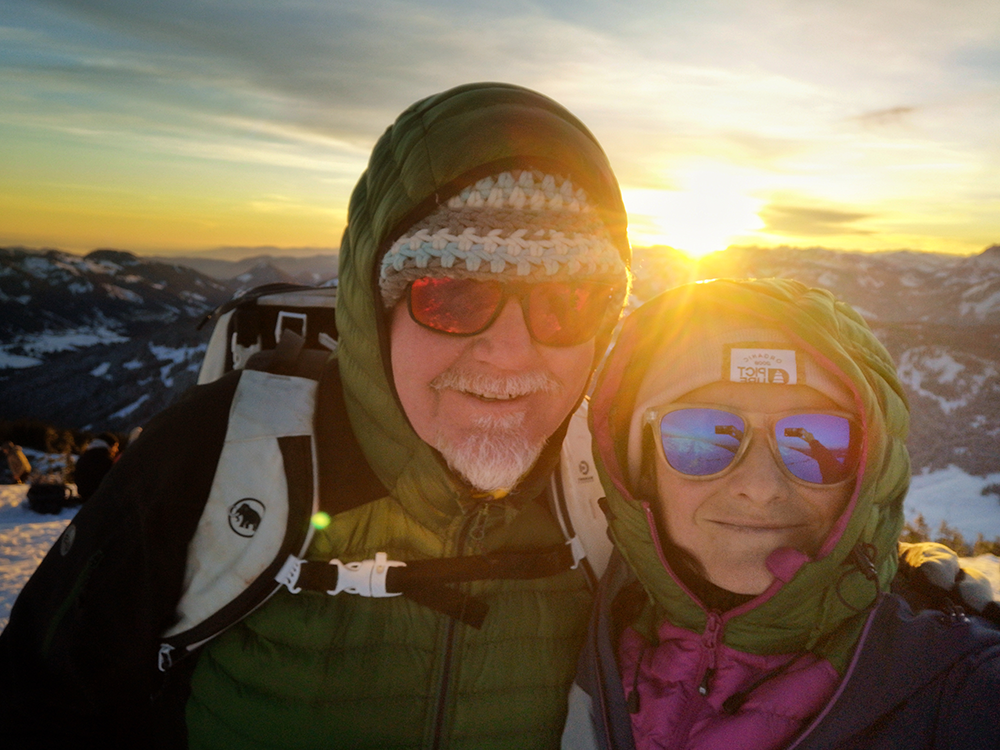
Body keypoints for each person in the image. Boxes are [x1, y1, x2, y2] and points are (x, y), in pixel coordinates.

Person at [0, 82, 631, 748]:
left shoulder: (619, 494)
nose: (509, 353)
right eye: (453, 294)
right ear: (372, 306)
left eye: (570, 300)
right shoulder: (213, 457)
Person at [563, 279, 1000, 750]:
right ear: (640, 470)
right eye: (703, 437)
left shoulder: (963, 690)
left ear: (866, 476)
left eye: (816, 439)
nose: (760, 487)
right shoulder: (576, 622)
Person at [72, 432, 119, 501]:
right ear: (110, 445)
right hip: (100, 497)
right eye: (116, 446)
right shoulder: (105, 459)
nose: (116, 450)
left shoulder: (84, 456)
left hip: (84, 495)